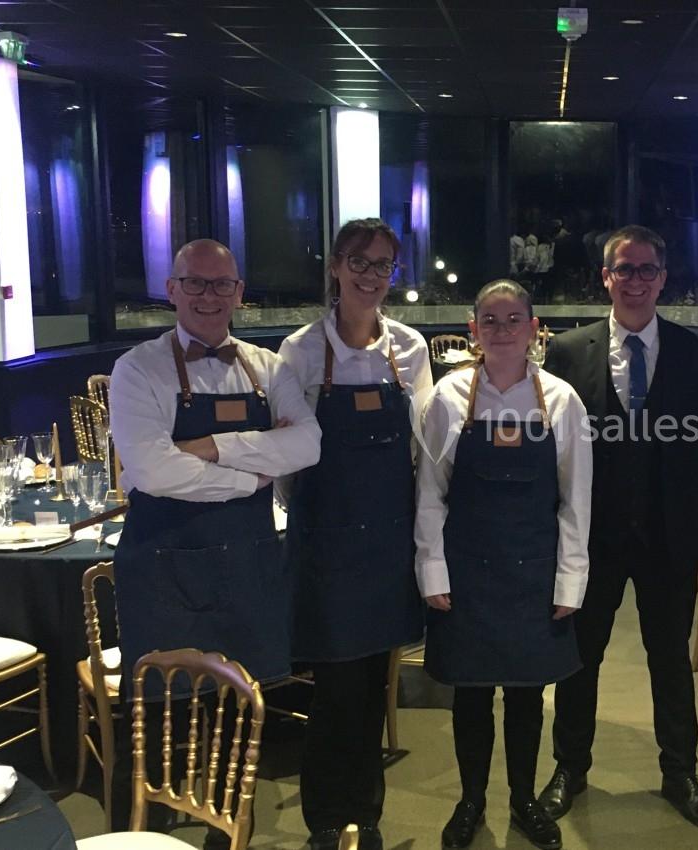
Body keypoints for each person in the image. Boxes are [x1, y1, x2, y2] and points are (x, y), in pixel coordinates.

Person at [108, 238, 321, 836]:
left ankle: (225, 838)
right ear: (172, 290)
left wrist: (208, 447)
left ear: (239, 293)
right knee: (156, 724)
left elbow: (307, 444)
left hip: (246, 568)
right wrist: (252, 475)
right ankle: (140, 836)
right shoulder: (138, 369)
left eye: (221, 284)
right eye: (195, 283)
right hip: (164, 569)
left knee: (236, 721)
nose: (208, 296)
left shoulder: (268, 367)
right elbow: (152, 471)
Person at [538, 225, 698, 831]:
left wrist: (669, 482)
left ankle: (680, 773)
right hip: (592, 538)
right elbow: (557, 444)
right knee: (580, 659)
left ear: (663, 278)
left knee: (670, 660)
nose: (636, 280)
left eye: (648, 269)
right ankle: (570, 768)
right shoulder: (569, 352)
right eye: (625, 268)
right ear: (606, 277)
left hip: (669, 536)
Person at [415, 279, 591, 850]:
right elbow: (430, 494)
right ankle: (470, 801)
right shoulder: (447, 398)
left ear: (534, 328)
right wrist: (432, 570)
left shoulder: (561, 400)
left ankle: (523, 799)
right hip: (466, 571)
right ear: (473, 330)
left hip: (533, 571)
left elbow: (575, 500)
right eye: (490, 320)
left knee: (525, 696)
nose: (502, 330)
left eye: (514, 319)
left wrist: (570, 580)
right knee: (469, 696)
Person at [279, 218, 432, 850]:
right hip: (327, 547)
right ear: (337, 266)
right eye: (360, 262)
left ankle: (366, 817)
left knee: (374, 686)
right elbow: (288, 461)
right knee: (334, 688)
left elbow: (424, 447)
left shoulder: (409, 349)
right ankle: (324, 819)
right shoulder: (301, 352)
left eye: (383, 265)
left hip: (387, 546)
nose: (371, 276)